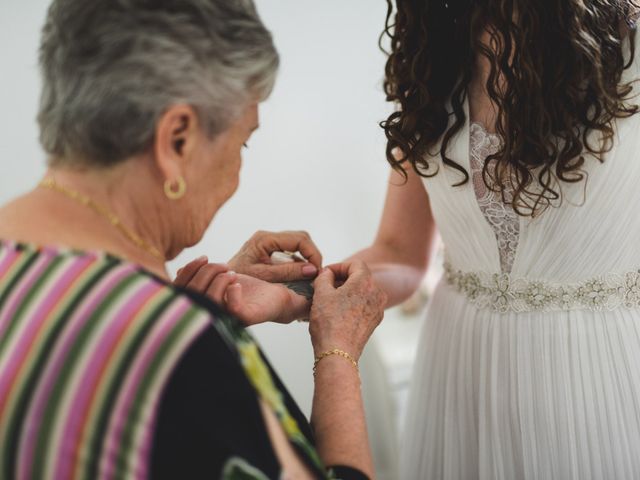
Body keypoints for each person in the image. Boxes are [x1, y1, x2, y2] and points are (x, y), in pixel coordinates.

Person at [0, 1, 386, 479]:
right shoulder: (177, 347)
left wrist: (184, 302)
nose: (239, 171)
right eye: (242, 142)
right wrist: (338, 351)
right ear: (178, 139)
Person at [346, 0, 640, 478]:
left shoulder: (632, 45)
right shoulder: (433, 53)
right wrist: (307, 289)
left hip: (598, 376)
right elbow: (398, 254)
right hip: (461, 377)